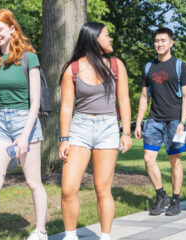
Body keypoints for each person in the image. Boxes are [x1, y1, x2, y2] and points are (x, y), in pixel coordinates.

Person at [59, 22, 132, 240]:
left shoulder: (116, 65)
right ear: (93, 39)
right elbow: (66, 106)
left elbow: (124, 99)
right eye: (106, 36)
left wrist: (126, 132)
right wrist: (64, 138)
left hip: (108, 127)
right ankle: (70, 236)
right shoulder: (72, 69)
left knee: (102, 188)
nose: (110, 39)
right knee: (68, 188)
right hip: (79, 128)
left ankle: (105, 237)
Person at [0, 9, 48, 240]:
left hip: (25, 121)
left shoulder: (29, 58)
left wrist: (24, 136)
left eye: (0, 29)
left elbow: (35, 101)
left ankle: (40, 230)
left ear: (12, 29)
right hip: (2, 123)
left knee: (33, 182)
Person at [134, 27, 186, 216]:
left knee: (175, 161)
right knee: (148, 159)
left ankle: (175, 200)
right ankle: (161, 195)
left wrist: (182, 121)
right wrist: (138, 121)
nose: (159, 44)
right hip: (153, 121)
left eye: (163, 40)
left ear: (171, 43)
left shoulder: (181, 66)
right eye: (157, 41)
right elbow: (144, 97)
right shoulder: (148, 67)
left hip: (175, 121)